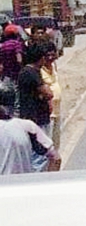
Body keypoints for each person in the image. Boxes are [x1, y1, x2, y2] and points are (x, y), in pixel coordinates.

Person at [0, 81, 59, 174]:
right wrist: (48, 182)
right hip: (25, 184)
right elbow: (56, 158)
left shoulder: (28, 127)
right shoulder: (27, 126)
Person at [18, 42, 56, 170]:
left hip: (37, 118)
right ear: (40, 58)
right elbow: (48, 93)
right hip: (35, 119)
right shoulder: (31, 73)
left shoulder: (31, 71)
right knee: (39, 154)